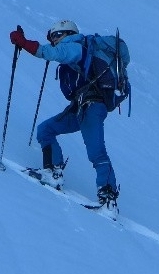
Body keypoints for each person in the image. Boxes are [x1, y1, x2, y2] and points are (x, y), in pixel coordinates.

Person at [9, 19, 120, 211]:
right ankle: (53, 172)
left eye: (56, 35)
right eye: (52, 37)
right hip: (81, 107)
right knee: (46, 130)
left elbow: (50, 52)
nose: (54, 40)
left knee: (96, 152)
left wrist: (25, 43)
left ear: (68, 34)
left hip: (93, 107)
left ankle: (109, 200)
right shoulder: (73, 51)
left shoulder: (75, 47)